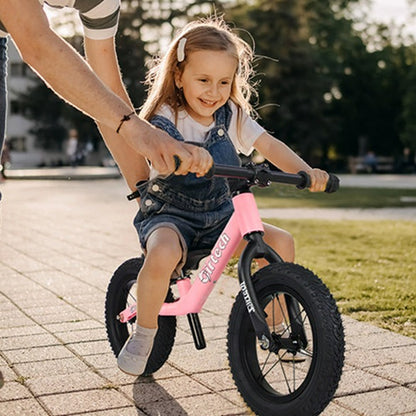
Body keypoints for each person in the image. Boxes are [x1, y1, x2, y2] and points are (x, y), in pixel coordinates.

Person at [117, 17, 330, 376]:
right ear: (179, 75)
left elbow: (268, 144)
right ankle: (143, 333)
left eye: (223, 82)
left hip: (220, 213)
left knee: (280, 242)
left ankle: (277, 328)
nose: (214, 92)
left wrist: (306, 171)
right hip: (170, 214)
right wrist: (179, 155)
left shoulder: (231, 115)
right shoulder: (164, 115)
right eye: (203, 80)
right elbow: (156, 152)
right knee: (164, 252)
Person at [0, 0, 212, 195]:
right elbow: (36, 43)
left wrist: (149, 201)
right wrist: (139, 129)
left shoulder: (103, 3)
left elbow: (109, 93)